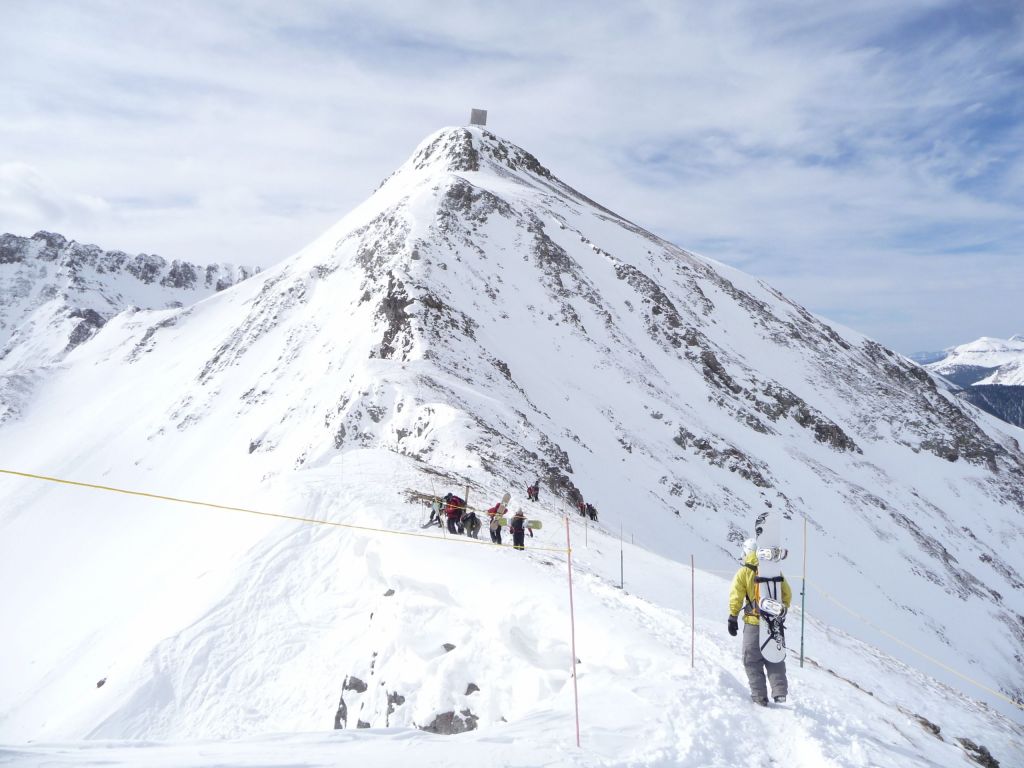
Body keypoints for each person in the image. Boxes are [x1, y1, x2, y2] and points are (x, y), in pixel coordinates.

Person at [728, 538, 792, 706]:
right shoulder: (774, 572)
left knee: (752, 660)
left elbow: (736, 596)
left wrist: (733, 617)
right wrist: (781, 609)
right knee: (774, 657)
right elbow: (787, 594)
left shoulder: (743, 573)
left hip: (753, 623)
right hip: (773, 623)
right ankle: (779, 691)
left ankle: (759, 697)